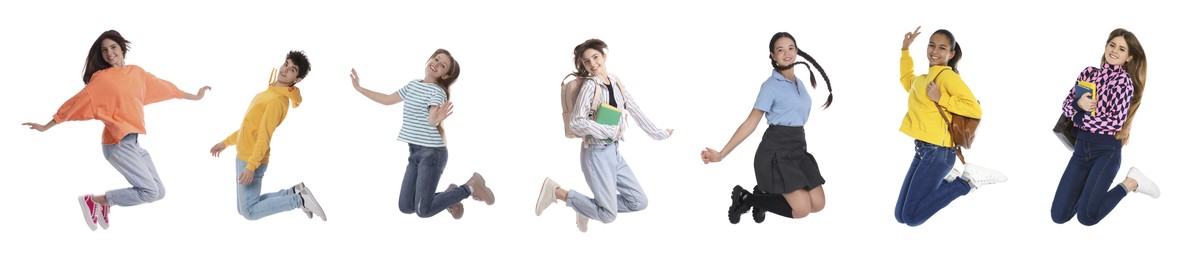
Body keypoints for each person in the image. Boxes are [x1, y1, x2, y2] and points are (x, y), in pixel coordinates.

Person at [22, 30, 212, 231]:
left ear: (122, 49)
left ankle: (105, 204)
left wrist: (196, 96)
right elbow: (76, 103)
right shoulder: (102, 79)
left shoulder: (137, 73)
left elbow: (167, 88)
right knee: (149, 191)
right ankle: (95, 200)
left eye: (113, 47)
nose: (109, 53)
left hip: (134, 143)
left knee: (159, 192)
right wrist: (47, 125)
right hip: (117, 144)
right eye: (104, 50)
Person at [535, 39, 673, 232]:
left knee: (639, 201)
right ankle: (557, 192)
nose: (592, 64)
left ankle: (586, 208)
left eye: (595, 57)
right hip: (596, 154)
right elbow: (576, 121)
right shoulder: (590, 86)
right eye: (586, 61)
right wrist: (610, 130)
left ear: (604, 56)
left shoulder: (615, 82)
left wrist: (659, 134)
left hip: (614, 153)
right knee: (608, 215)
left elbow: (633, 109)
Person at [701, 32, 834, 224]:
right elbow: (750, 123)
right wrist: (721, 154)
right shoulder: (770, 86)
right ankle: (747, 199)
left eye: (791, 48)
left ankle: (762, 196)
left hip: (798, 149)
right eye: (780, 50)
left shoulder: (800, 83)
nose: (786, 53)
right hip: (776, 152)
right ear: (772, 55)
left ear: (797, 51)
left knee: (818, 204)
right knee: (802, 209)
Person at [349, 49, 494, 220]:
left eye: (442, 66)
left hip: (432, 153)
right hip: (415, 152)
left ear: (445, 76)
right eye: (436, 59)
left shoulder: (437, 92)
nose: (436, 64)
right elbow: (388, 99)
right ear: (430, 59)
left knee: (423, 210)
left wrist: (435, 119)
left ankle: (470, 187)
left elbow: (432, 118)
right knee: (406, 206)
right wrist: (359, 88)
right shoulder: (413, 85)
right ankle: (449, 197)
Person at [892, 26, 1007, 227]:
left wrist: (941, 98)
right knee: (900, 216)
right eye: (931, 45)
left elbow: (974, 109)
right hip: (923, 150)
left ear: (951, 53)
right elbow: (906, 80)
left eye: (942, 48)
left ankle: (966, 182)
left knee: (911, 217)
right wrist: (904, 50)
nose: (935, 51)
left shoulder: (947, 76)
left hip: (939, 152)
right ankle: (949, 180)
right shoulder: (924, 79)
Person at [1051, 28, 1160, 226]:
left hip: (1106, 152)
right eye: (1112, 45)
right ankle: (1088, 192)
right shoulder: (1088, 73)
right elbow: (1066, 106)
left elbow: (1114, 122)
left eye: (1121, 49)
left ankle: (1131, 183)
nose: (1114, 51)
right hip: (1080, 151)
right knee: (1059, 216)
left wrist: (1079, 119)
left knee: (1087, 217)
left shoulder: (1124, 83)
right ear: (1106, 46)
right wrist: (1079, 105)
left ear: (1128, 57)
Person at [209, 51, 327, 222]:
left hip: (252, 159)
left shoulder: (277, 101)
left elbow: (264, 136)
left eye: (292, 69)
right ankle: (293, 192)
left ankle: (299, 200)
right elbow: (249, 128)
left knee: (249, 211)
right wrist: (226, 142)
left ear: (297, 79)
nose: (285, 69)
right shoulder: (268, 92)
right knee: (243, 209)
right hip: (244, 156)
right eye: (286, 64)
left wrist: (251, 166)